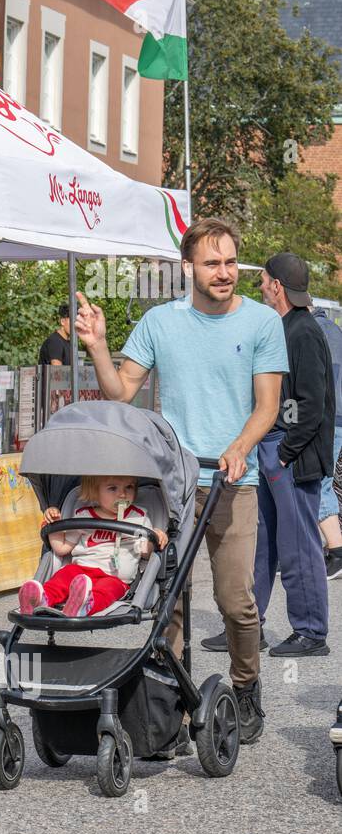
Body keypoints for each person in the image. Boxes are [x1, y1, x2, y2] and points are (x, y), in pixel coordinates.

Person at [75, 217, 287, 743]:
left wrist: (239, 447)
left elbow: (267, 406)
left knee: (236, 599)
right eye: (212, 263)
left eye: (231, 262)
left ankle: (244, 686)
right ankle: (168, 698)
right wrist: (98, 346)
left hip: (234, 478)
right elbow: (121, 393)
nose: (224, 272)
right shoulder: (159, 323)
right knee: (168, 594)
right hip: (174, 479)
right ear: (188, 267)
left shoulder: (262, 323)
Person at [247, 254, 332, 658]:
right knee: (264, 541)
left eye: (264, 280)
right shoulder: (284, 328)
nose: (261, 286)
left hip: (290, 456)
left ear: (277, 286)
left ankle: (311, 631)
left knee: (299, 545)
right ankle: (251, 624)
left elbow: (312, 404)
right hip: (275, 449)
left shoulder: (304, 332)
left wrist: (284, 452)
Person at [21, 475, 167, 617]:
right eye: (112, 488)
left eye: (129, 487)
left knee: (107, 590)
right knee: (64, 576)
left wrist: (155, 538)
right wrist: (53, 525)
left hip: (116, 578)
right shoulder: (83, 515)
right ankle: (41, 599)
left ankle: (85, 605)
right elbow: (62, 548)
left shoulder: (139, 517)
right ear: (95, 491)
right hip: (81, 570)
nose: (122, 494)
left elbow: (145, 553)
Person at [310, 301, 342, 578]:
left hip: (329, 417)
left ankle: (337, 552)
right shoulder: (333, 329)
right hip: (336, 416)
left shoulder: (314, 332)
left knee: (320, 483)